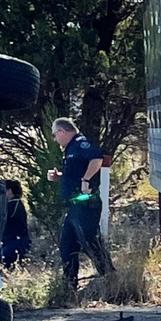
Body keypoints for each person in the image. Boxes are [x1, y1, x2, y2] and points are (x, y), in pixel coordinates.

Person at [46, 117, 114, 284]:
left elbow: (97, 159)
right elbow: (74, 173)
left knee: (90, 242)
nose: (55, 139)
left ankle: (110, 277)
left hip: (85, 203)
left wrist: (86, 180)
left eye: (55, 135)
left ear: (62, 131)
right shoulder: (70, 149)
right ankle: (70, 284)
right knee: (66, 245)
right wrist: (58, 177)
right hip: (74, 205)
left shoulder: (80, 143)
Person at [0, 179, 31, 266]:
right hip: (18, 243)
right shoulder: (17, 204)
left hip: (14, 243)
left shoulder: (12, 206)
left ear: (9, 191)